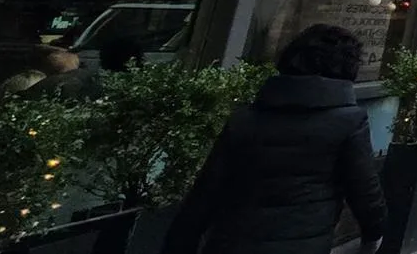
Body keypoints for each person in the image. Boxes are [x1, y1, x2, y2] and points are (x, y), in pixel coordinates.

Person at [163, 24, 386, 254]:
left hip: (232, 242)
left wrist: (181, 242)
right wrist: (374, 235)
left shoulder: (245, 118)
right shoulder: (349, 121)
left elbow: (205, 192)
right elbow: (365, 189)